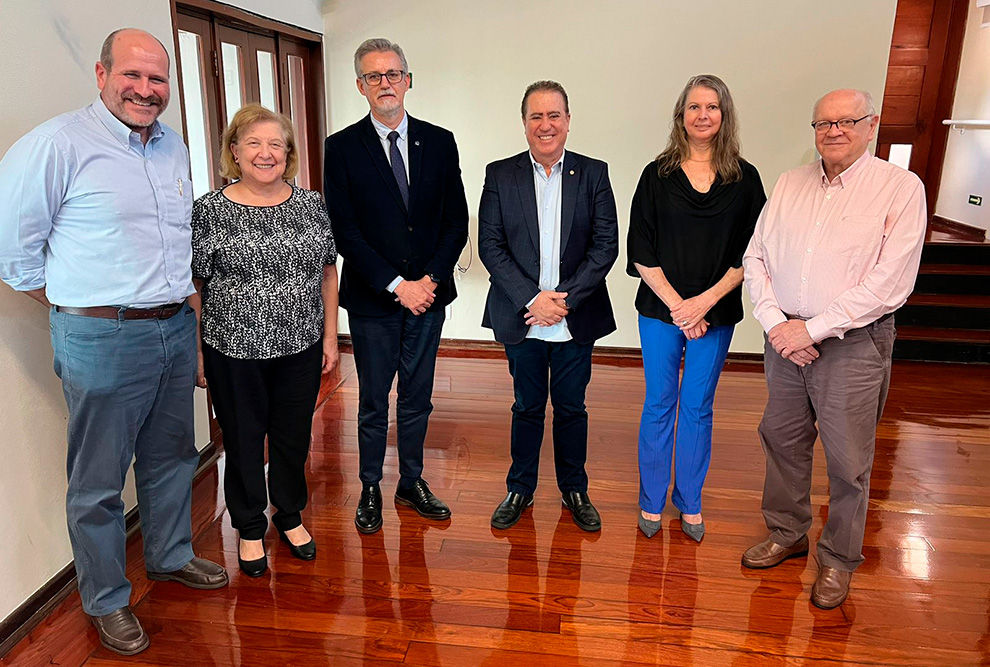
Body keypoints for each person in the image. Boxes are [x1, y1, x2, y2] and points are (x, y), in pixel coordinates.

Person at [0, 28, 227, 656]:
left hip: (175, 327)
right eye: (133, 76)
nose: (146, 90)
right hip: (100, 336)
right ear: (101, 75)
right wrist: (86, 307)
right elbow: (15, 258)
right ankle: (106, 600)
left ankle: (170, 555)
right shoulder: (54, 146)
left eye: (158, 80)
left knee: (172, 456)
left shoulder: (173, 146)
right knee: (98, 481)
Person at [742, 89, 926, 609]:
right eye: (823, 123)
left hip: (852, 343)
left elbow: (891, 283)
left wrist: (813, 329)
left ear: (871, 126)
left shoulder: (899, 188)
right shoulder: (789, 183)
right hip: (785, 340)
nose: (834, 131)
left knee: (848, 461)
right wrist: (779, 325)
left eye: (847, 121)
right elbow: (756, 257)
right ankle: (787, 532)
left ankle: (838, 559)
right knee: (781, 440)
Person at [323, 38, 468, 534]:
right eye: (373, 76)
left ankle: (411, 481)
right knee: (372, 399)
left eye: (393, 74)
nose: (385, 83)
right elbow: (346, 232)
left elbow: (456, 222)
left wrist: (428, 281)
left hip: (428, 297)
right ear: (360, 86)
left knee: (417, 396)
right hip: (373, 300)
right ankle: (369, 486)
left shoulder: (440, 140)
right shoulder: (341, 148)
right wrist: (395, 285)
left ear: (408, 79)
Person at [191, 104, 338, 577]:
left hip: (301, 345)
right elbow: (194, 285)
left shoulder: (310, 204)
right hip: (232, 351)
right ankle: (250, 527)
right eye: (253, 143)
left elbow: (328, 271)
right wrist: (196, 351)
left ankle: (290, 516)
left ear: (289, 153)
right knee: (243, 439)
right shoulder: (209, 210)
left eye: (276, 143)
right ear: (234, 151)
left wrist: (331, 338)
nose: (265, 153)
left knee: (294, 438)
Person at [626, 74, 765, 541]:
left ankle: (690, 501)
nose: (702, 115)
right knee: (660, 403)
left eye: (712, 107)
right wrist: (678, 307)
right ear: (680, 116)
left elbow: (752, 252)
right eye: (693, 107)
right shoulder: (656, 175)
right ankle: (650, 501)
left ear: (724, 116)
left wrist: (702, 304)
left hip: (715, 311)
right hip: (659, 309)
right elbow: (641, 249)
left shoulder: (746, 180)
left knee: (699, 407)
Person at [479, 80, 618, 532]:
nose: (546, 125)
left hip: (573, 317)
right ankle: (520, 488)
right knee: (527, 406)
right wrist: (532, 299)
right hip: (523, 316)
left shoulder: (594, 173)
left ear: (568, 121)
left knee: (573, 407)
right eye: (536, 116)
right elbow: (490, 246)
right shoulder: (500, 174)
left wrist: (563, 301)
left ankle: (574, 489)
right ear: (524, 124)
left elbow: (606, 246)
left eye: (554, 115)